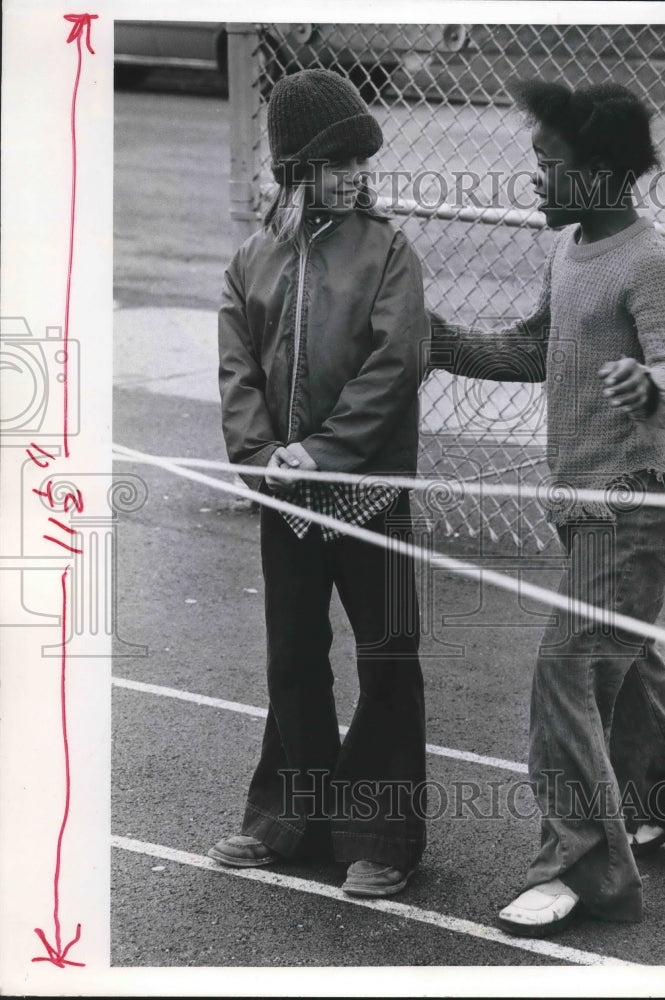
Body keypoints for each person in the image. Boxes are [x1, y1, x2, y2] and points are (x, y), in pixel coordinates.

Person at [428, 80, 665, 936]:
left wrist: (647, 387)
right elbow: (534, 346)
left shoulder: (649, 262)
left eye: (546, 166)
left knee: (568, 670)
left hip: (629, 507)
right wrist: (439, 342)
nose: (533, 181)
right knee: (622, 661)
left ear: (597, 173)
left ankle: (579, 870)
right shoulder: (567, 250)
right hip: (581, 507)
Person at [210, 69, 428, 898]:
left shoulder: (389, 250)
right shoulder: (251, 261)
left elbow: (396, 360)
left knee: (387, 657)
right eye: (335, 162)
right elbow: (237, 374)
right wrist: (262, 456)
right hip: (286, 501)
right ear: (295, 169)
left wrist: (325, 452)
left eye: (359, 160)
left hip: (372, 497)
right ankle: (287, 820)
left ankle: (383, 835)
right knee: (294, 659)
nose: (354, 175)